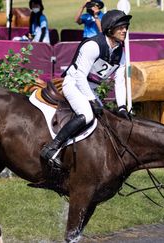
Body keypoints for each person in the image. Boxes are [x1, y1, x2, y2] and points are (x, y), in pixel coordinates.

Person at [40, 9, 132, 168]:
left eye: (126, 26)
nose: (125, 30)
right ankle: (52, 147)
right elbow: (80, 77)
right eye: (121, 27)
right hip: (73, 85)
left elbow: (119, 81)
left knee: (107, 120)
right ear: (110, 28)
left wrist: (122, 107)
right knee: (87, 114)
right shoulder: (93, 45)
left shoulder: (120, 52)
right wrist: (91, 101)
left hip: (91, 90)